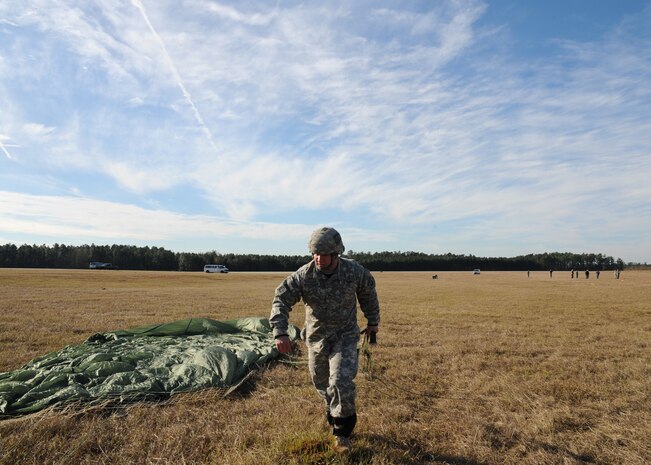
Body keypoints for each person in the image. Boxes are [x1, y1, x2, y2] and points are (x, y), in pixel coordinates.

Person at [270, 227, 380, 453]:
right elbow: (281, 300)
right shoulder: (304, 275)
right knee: (322, 382)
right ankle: (333, 412)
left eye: (324, 253)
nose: (318, 258)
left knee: (340, 381)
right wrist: (280, 332)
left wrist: (373, 322)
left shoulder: (353, 272)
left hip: (345, 337)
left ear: (336, 253)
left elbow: (368, 293)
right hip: (316, 338)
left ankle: (342, 433)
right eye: (314, 253)